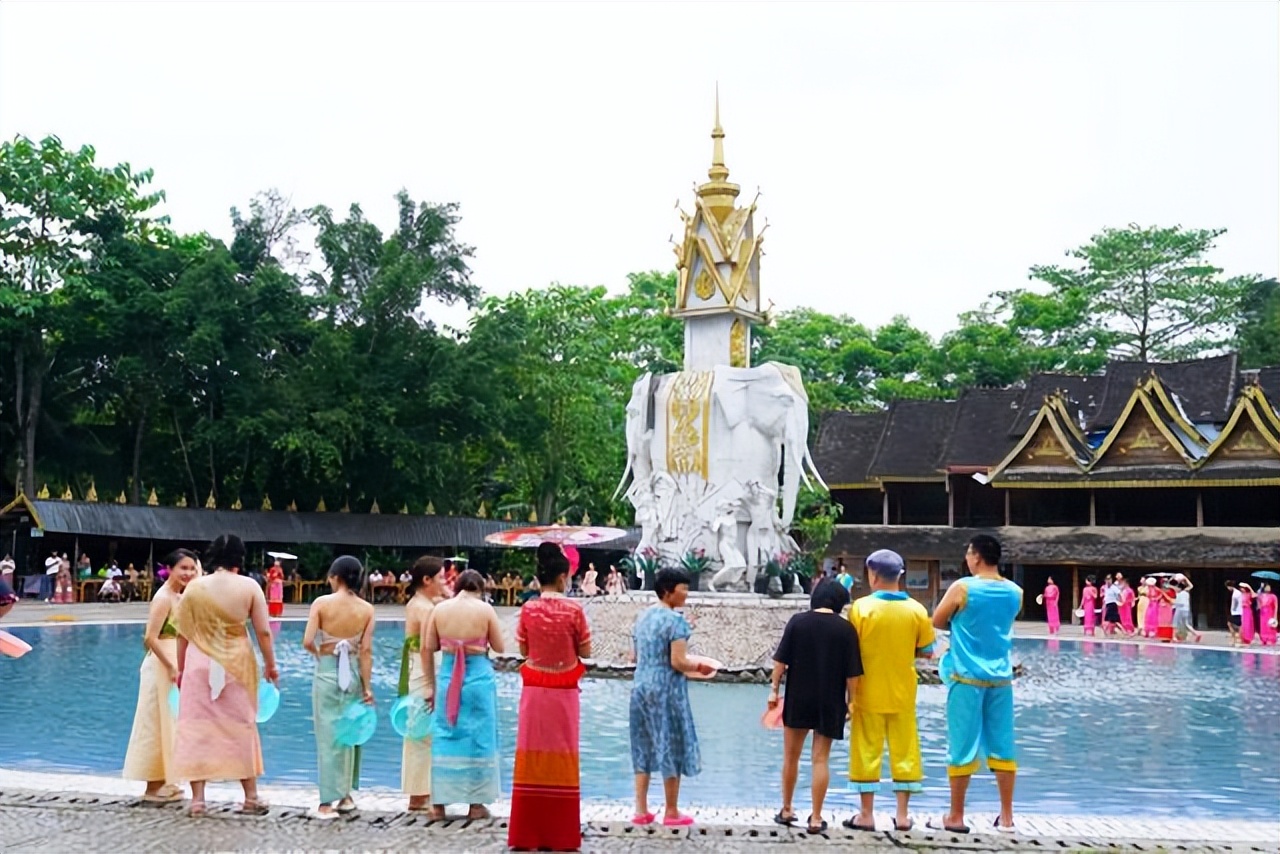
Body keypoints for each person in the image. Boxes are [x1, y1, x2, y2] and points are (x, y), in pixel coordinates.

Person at [172, 534, 279, 816]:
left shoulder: (194, 588)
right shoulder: (249, 587)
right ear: (239, 559)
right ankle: (251, 796)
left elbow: (182, 633)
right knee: (241, 725)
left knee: (196, 727)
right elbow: (264, 631)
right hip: (236, 665)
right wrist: (271, 665)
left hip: (198, 662)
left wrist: (180, 668)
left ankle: (198, 800)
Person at [930, 534, 1022, 835]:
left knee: (961, 745)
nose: (967, 559)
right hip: (1000, 677)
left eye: (969, 553)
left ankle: (956, 815)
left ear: (977, 556)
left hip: (966, 676)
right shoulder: (1015, 592)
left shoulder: (963, 588)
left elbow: (938, 620)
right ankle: (1006, 816)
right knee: (1003, 743)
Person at [508, 543, 593, 851]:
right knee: (563, 757)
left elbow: (523, 651)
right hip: (564, 692)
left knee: (531, 757)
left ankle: (526, 834)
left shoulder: (528, 609)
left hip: (534, 691)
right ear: (561, 578)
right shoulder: (575, 610)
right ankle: (561, 834)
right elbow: (585, 651)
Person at [842, 551, 934, 832]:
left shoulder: (861, 608)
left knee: (866, 750)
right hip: (903, 692)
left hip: (867, 692)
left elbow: (850, 651)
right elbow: (928, 653)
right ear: (900, 575)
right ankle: (903, 815)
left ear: (873, 574)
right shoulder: (917, 610)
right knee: (904, 750)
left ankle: (866, 814)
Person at [769, 579, 861, 834]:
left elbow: (780, 663)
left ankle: (787, 809)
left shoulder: (798, 622)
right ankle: (817, 817)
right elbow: (853, 674)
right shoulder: (846, 630)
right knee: (820, 759)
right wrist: (851, 702)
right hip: (831, 700)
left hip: (799, 696)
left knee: (791, 757)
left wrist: (774, 692)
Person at [629, 568, 712, 828]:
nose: (686, 593)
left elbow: (635, 657)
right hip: (666, 690)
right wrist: (700, 667)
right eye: (682, 588)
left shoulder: (642, 617)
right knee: (671, 744)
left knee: (642, 744)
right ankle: (671, 811)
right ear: (668, 590)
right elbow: (677, 662)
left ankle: (641, 809)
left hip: (641, 686)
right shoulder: (676, 622)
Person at [425, 569, 505, 819]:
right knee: (479, 737)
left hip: (450, 676)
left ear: (457, 585)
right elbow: (500, 646)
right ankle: (476, 804)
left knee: (445, 734)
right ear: (479, 588)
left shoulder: (439, 610)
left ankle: (438, 803)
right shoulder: (485, 610)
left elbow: (429, 647)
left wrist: (430, 684)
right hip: (478, 677)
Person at [124, 549, 199, 803]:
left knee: (171, 723)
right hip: (162, 663)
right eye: (184, 568)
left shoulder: (181, 596)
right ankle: (154, 785)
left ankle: (167, 780)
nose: (188, 573)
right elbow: (149, 637)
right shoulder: (164, 597)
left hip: (173, 662)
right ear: (170, 569)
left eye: (192, 568)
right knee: (157, 722)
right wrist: (171, 665)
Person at [303, 556, 376, 819]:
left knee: (327, 735)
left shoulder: (321, 603)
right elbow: (366, 651)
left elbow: (307, 640)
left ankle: (326, 801)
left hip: (327, 670)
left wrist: (320, 653)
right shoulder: (367, 609)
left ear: (335, 576)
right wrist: (368, 688)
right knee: (349, 732)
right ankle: (345, 795)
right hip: (354, 671)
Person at [401, 556, 445, 814]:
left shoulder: (421, 603)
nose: (444, 582)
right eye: (439, 578)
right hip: (423, 670)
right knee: (421, 733)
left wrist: (446, 591)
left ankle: (420, 792)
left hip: (417, 667)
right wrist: (432, 685)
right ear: (426, 580)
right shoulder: (425, 608)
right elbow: (428, 649)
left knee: (419, 732)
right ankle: (419, 795)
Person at [1257, 582, 1278, 646]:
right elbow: (1258, 603)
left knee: (1270, 626)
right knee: (1263, 626)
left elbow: (1276, 606)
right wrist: (1260, 588)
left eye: (1269, 587)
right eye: (1267, 587)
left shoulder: (1273, 596)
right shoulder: (1261, 596)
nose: (1268, 588)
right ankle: (1264, 640)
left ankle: (1271, 639)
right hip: (1263, 613)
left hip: (1270, 612)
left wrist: (1275, 616)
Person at [1236, 582, 1255, 646]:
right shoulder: (1239, 595)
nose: (1242, 589)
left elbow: (1254, 595)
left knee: (1247, 625)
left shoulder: (1249, 594)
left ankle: (1248, 638)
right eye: (1241, 588)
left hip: (1247, 610)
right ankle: (1242, 638)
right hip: (1241, 610)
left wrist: (1249, 587)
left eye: (1243, 588)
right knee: (1242, 625)